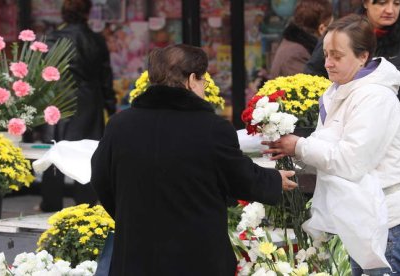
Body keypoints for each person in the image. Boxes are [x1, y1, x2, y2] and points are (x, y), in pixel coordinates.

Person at [90, 44, 298, 276]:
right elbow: (239, 176)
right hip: (195, 255)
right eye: (203, 81)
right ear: (190, 80)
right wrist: (274, 180)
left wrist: (131, 216)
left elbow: (100, 178)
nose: (204, 88)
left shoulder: (120, 125)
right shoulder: (211, 128)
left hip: (136, 253)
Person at [265, 14, 400, 275]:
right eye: (326, 54)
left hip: (388, 224)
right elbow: (325, 151)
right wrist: (289, 149)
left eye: (337, 56)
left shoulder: (375, 97)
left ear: (362, 56)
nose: (328, 63)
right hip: (362, 220)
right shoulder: (339, 91)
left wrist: (298, 146)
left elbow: (349, 162)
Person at [37, 0, 117, 212]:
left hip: (58, 100)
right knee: (87, 154)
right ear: (88, 13)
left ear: (63, 13)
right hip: (88, 102)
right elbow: (105, 77)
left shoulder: (52, 38)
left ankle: (50, 205)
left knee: (55, 152)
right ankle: (86, 208)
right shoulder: (95, 40)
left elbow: (40, 75)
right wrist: (111, 106)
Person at [304, 0, 400, 110]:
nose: (390, 10)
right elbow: (313, 76)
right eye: (382, 3)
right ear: (365, 3)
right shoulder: (341, 33)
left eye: (396, 3)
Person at [268, 0, 333, 79]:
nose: (333, 32)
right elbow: (308, 88)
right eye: (331, 27)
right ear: (322, 29)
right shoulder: (296, 54)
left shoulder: (294, 45)